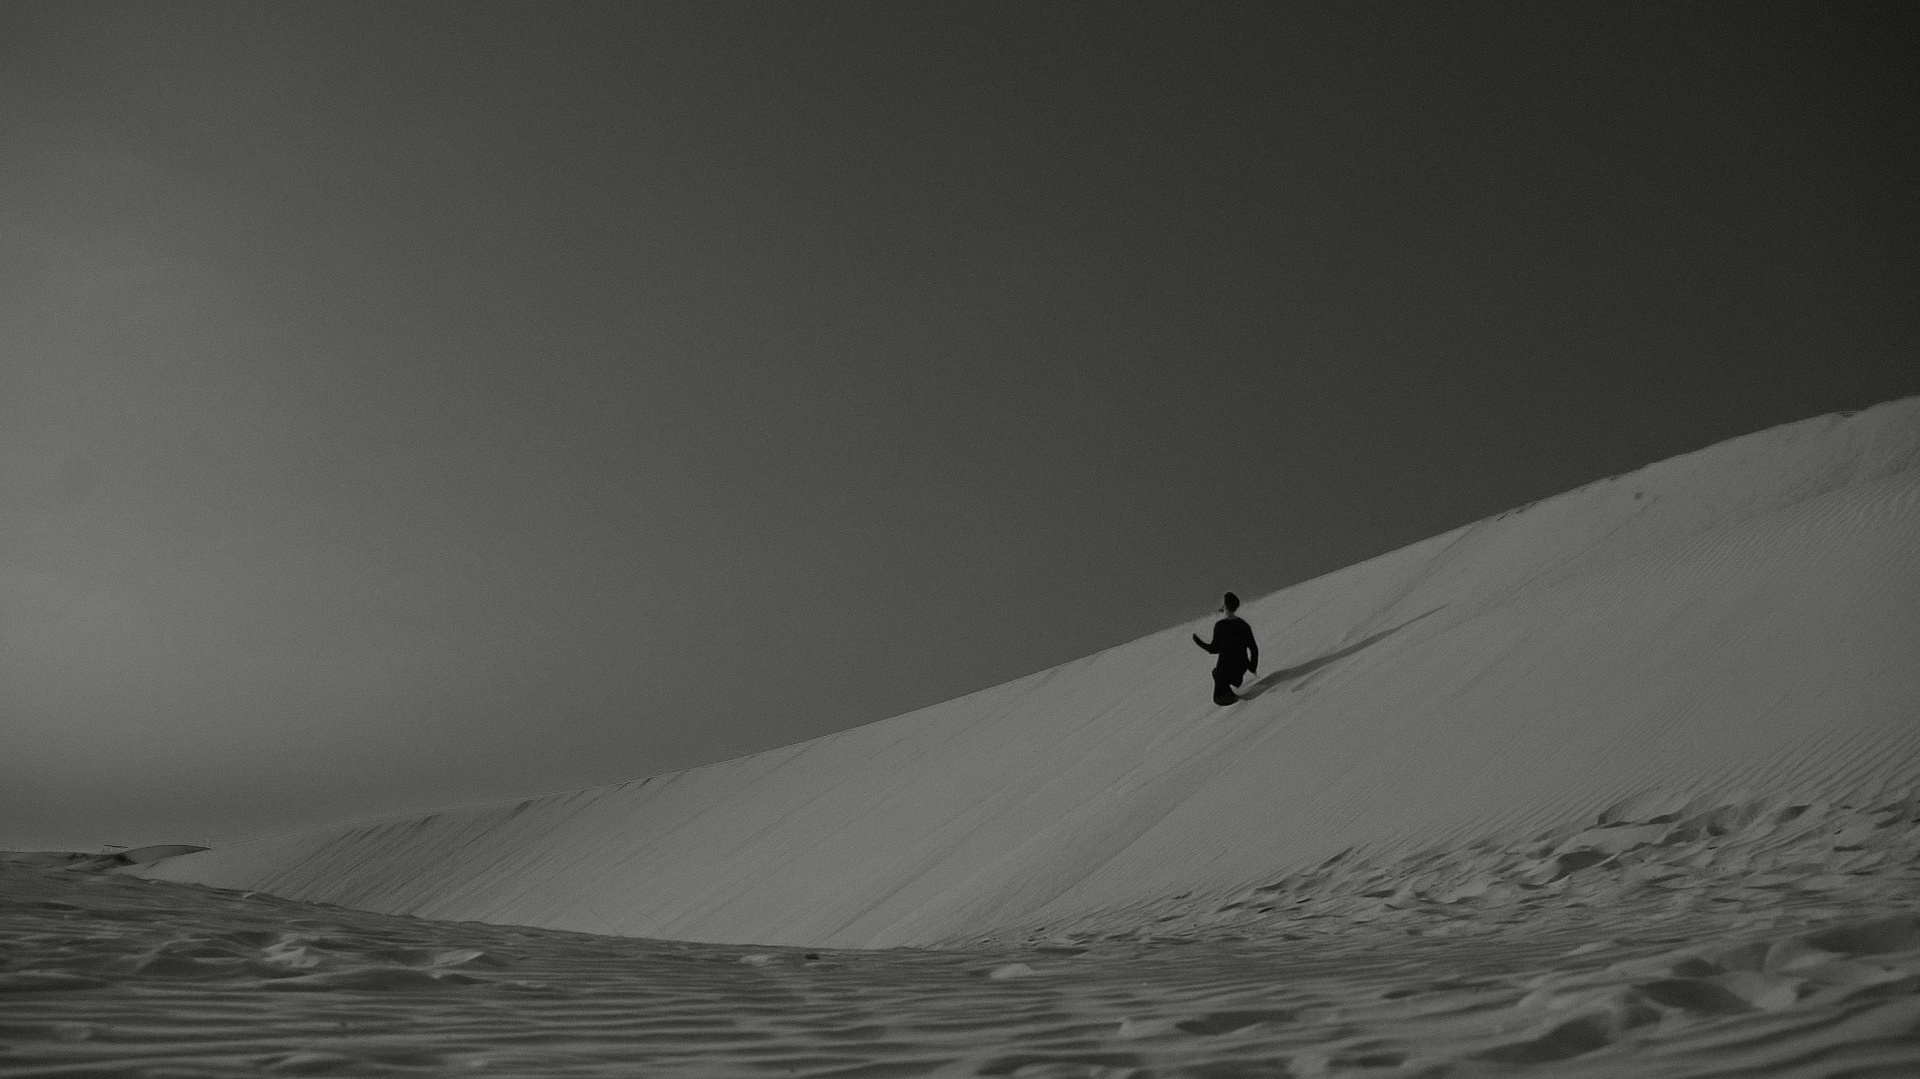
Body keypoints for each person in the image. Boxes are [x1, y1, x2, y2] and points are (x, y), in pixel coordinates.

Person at [1193, 592, 1258, 705]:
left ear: (1226, 606)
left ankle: (1234, 702)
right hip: (1240, 667)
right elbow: (1254, 649)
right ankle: (1229, 693)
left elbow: (1213, 649)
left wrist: (1198, 641)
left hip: (1226, 668)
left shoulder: (1221, 626)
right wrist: (1252, 667)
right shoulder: (1243, 625)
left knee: (1218, 695)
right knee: (1215, 673)